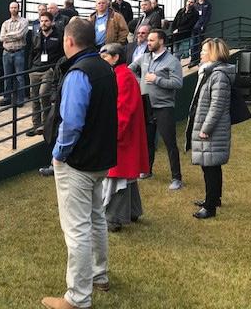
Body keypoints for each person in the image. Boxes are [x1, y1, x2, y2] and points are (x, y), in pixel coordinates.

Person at [41, 18, 117, 309]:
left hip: (79, 162)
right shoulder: (105, 68)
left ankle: (77, 298)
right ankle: (99, 275)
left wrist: (59, 154)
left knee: (77, 229)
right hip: (100, 159)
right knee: (96, 219)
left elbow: (71, 123)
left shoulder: (79, 73)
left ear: (69, 41)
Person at [100, 43, 149, 232]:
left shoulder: (123, 77)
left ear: (115, 57)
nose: (102, 60)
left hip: (123, 137)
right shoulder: (120, 75)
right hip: (125, 135)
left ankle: (114, 218)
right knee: (126, 176)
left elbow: (123, 110)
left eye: (105, 56)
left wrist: (114, 135)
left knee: (118, 176)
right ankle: (133, 211)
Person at [185, 38, 235, 219]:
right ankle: (214, 198)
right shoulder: (209, 72)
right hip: (207, 125)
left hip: (213, 128)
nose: (201, 53)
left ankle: (210, 206)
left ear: (214, 53)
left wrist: (206, 128)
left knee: (210, 167)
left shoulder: (218, 75)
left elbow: (217, 106)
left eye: (204, 50)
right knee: (211, 164)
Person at [128, 29, 184, 189]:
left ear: (161, 41)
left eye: (152, 40)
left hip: (164, 107)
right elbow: (130, 69)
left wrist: (156, 79)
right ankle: (147, 170)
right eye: (148, 40)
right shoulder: (145, 57)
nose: (148, 43)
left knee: (169, 143)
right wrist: (139, 81)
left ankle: (176, 178)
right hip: (146, 106)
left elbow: (178, 83)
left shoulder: (172, 61)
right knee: (147, 141)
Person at [27, 11, 64, 137]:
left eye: (46, 21)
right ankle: (36, 125)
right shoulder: (36, 35)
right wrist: (29, 69)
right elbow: (31, 52)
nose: (43, 23)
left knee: (43, 95)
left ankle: (46, 124)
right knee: (35, 99)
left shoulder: (58, 36)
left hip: (49, 70)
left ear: (52, 22)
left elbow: (61, 54)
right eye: (41, 21)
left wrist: (55, 69)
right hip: (35, 70)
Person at [0, 1, 28, 107]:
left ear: (18, 8)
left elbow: (20, 35)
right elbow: (1, 37)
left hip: (18, 52)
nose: (13, 9)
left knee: (20, 77)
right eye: (11, 7)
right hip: (6, 52)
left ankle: (20, 99)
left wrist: (8, 35)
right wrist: (13, 35)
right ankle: (7, 98)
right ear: (9, 9)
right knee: (7, 77)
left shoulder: (24, 21)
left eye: (15, 7)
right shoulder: (5, 23)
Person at [190, 0, 212, 68]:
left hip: (201, 28)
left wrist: (203, 25)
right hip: (193, 27)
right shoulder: (194, 3)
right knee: (193, 44)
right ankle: (193, 60)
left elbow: (208, 16)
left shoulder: (208, 4)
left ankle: (199, 60)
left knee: (200, 43)